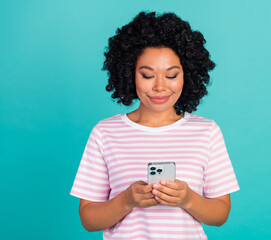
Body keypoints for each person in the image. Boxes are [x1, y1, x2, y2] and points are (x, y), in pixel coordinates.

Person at [70, 11, 239, 240]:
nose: (160, 87)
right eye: (147, 76)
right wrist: (127, 200)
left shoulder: (207, 132)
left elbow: (220, 215)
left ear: (186, 75)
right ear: (130, 74)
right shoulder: (105, 133)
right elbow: (88, 220)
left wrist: (188, 199)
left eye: (171, 75)